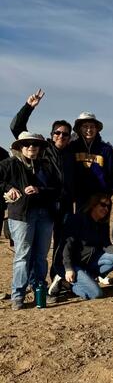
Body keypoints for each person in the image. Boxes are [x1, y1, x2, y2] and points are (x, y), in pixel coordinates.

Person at [10, 89, 74, 279]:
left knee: (62, 242)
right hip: (42, 204)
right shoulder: (41, 149)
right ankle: (33, 282)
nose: (61, 136)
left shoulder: (72, 154)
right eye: (57, 133)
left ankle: (57, 277)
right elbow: (17, 128)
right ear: (52, 134)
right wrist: (29, 106)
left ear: (70, 137)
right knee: (36, 246)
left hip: (64, 204)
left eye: (65, 134)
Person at [0, 132, 60, 310]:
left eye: (35, 144)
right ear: (20, 147)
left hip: (45, 215)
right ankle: (18, 295)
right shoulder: (9, 164)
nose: (31, 147)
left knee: (41, 256)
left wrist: (39, 189)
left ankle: (39, 288)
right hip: (21, 215)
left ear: (40, 148)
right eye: (26, 144)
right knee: (22, 255)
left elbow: (57, 188)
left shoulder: (47, 166)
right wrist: (8, 188)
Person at [56, 194, 113, 300]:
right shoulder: (77, 219)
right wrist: (68, 268)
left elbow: (106, 245)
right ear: (93, 205)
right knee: (96, 294)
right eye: (103, 205)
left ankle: (88, 277)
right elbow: (66, 246)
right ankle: (65, 283)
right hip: (71, 264)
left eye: (108, 207)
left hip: (88, 263)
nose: (106, 209)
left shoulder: (102, 223)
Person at [69, 111, 113, 210]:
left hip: (101, 201)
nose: (89, 130)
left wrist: (106, 195)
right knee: (80, 225)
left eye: (92, 126)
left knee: (99, 225)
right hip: (79, 200)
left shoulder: (106, 150)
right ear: (79, 129)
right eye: (85, 126)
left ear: (97, 129)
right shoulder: (72, 148)